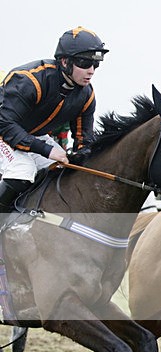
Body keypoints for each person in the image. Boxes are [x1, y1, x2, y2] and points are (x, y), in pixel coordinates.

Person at [0, 26, 108, 213]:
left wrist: (82, 160)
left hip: (30, 134)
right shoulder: (30, 80)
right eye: (84, 63)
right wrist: (47, 150)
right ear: (65, 61)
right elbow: (5, 126)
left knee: (63, 173)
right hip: (4, 131)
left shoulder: (87, 95)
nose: (91, 71)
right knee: (22, 170)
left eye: (95, 65)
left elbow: (84, 141)